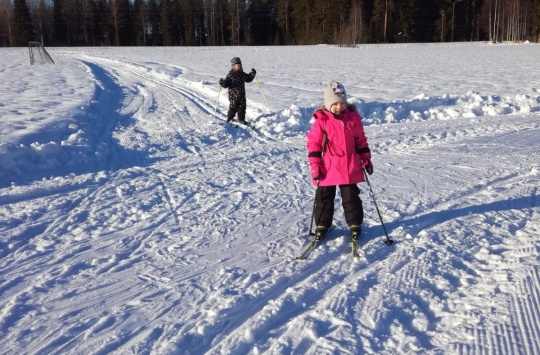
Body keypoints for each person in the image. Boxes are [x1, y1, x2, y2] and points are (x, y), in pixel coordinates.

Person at [306, 81, 373, 241]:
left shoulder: (353, 120)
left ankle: (354, 223)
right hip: (328, 167)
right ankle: (322, 224)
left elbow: (361, 141)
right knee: (323, 197)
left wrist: (366, 158)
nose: (339, 107)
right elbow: (313, 144)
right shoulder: (322, 120)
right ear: (328, 104)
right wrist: (315, 165)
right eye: (334, 104)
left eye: (342, 103)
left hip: (350, 165)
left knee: (351, 198)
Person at [218, 57, 256, 125]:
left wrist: (252, 74)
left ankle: (242, 119)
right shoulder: (230, 75)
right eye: (236, 65)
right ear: (233, 66)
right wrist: (222, 83)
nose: (238, 66)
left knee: (242, 107)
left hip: (242, 95)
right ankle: (229, 118)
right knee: (233, 108)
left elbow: (248, 79)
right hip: (233, 96)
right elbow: (226, 84)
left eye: (239, 65)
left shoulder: (242, 74)